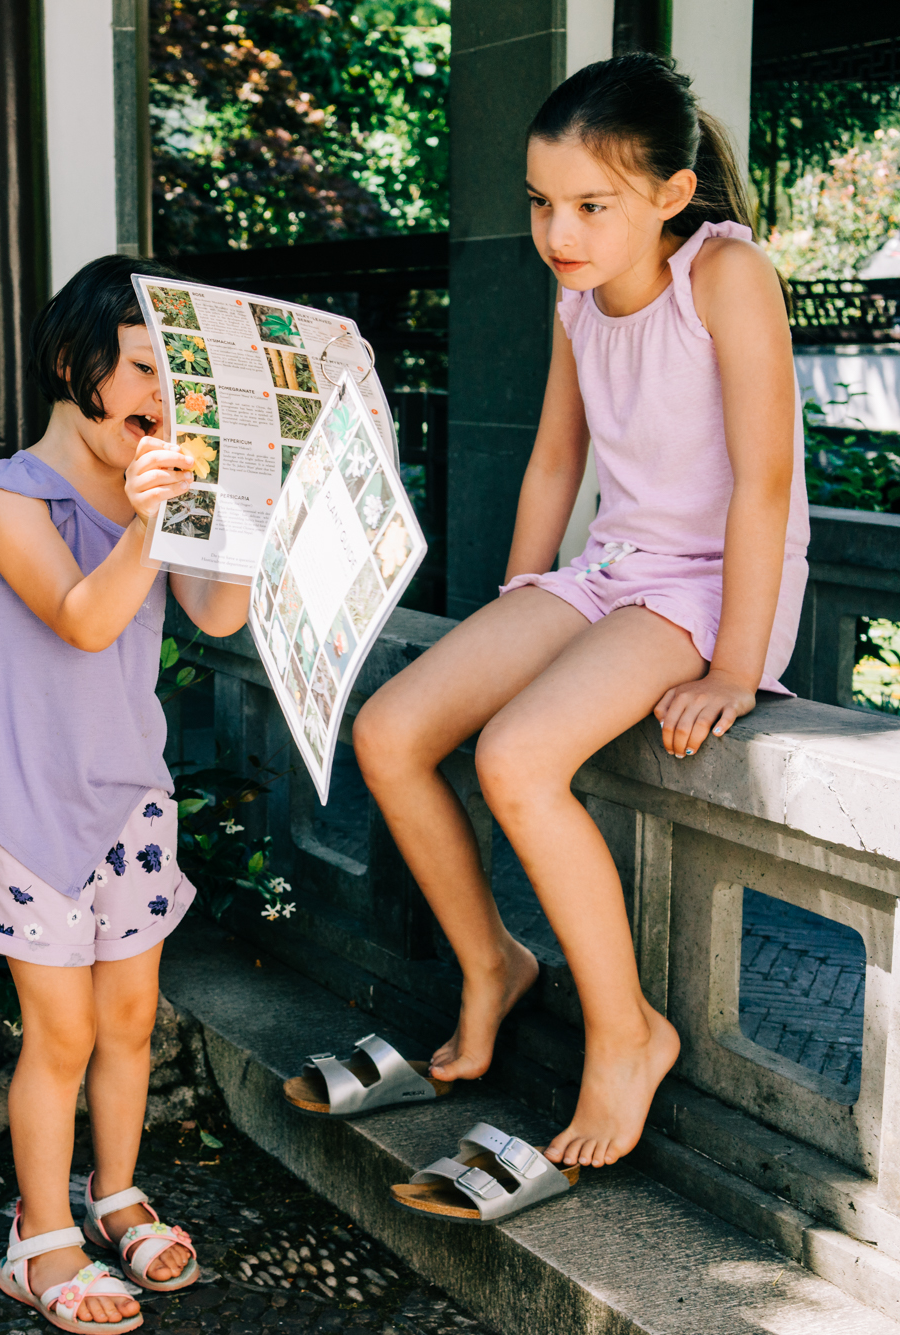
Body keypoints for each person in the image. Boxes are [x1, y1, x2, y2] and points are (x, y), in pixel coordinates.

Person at [353, 53, 805, 1176]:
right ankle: (492, 963)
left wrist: (733, 668)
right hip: (607, 571)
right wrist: (519, 598)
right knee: (389, 732)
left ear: (669, 195)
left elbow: (761, 483)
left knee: (515, 756)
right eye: (540, 203)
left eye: (589, 206)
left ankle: (625, 1033)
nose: (559, 231)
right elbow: (556, 460)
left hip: (707, 583)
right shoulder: (575, 295)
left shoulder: (725, 273)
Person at [0, 256, 251, 1331]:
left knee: (129, 1021)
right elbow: (82, 615)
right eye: (137, 372)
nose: (157, 405)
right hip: (24, 801)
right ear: (73, 362)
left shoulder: (149, 497)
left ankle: (114, 1194)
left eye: (175, 386)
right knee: (61, 1034)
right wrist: (147, 521)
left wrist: (240, 516)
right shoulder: (5, 495)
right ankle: (38, 1240)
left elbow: (215, 616)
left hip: (129, 793)